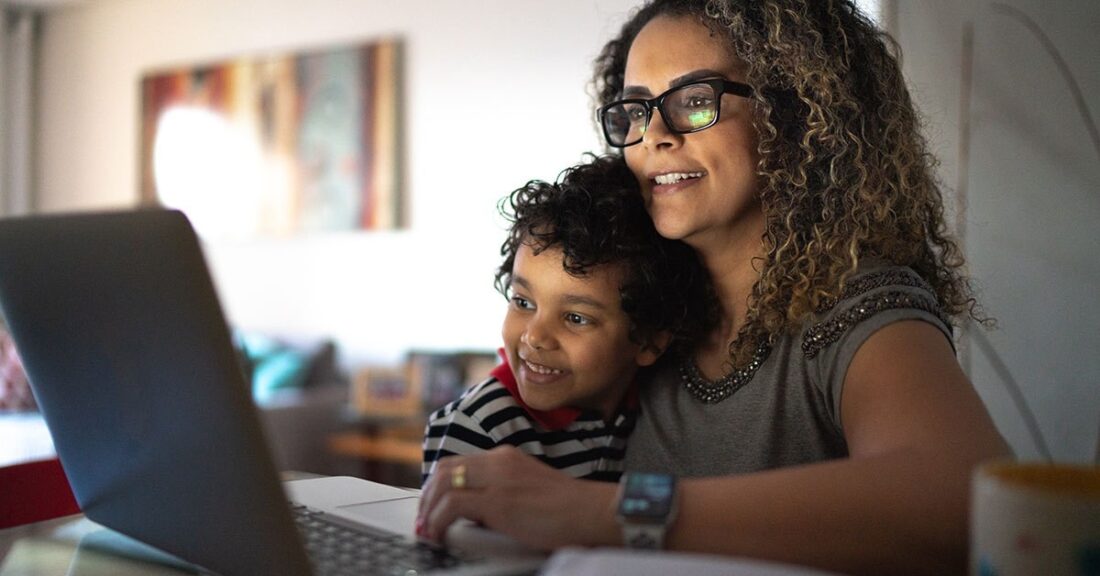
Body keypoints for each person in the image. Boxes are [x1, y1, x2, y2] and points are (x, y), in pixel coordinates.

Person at [417, 1, 1010, 575]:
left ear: (794, 112)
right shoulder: (643, 304)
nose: (654, 136)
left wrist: (603, 513)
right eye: (635, 109)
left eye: (696, 101)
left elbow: (966, 501)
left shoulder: (855, 306)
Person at [421, 155, 712, 486]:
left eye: (575, 318)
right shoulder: (479, 427)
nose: (535, 337)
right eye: (523, 302)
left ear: (649, 340)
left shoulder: (654, 409)